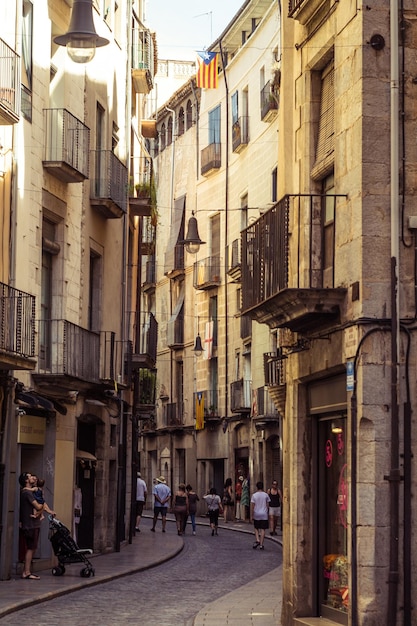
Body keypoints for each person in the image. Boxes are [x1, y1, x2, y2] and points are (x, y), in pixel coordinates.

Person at [19, 472, 54, 580]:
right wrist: (43, 506)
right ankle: (27, 572)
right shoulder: (27, 493)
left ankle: (27, 571)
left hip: (33, 524)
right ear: (26, 480)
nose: (33, 478)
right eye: (30, 477)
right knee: (31, 548)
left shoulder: (32, 491)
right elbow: (38, 506)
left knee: (32, 548)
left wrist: (48, 510)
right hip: (30, 524)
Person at [250, 480, 270, 550]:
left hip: (257, 513)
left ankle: (257, 539)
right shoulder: (266, 495)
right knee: (263, 529)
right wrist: (267, 512)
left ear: (257, 487)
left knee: (256, 527)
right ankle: (261, 544)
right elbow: (267, 505)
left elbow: (253, 506)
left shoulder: (254, 495)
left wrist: (252, 515)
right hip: (264, 513)